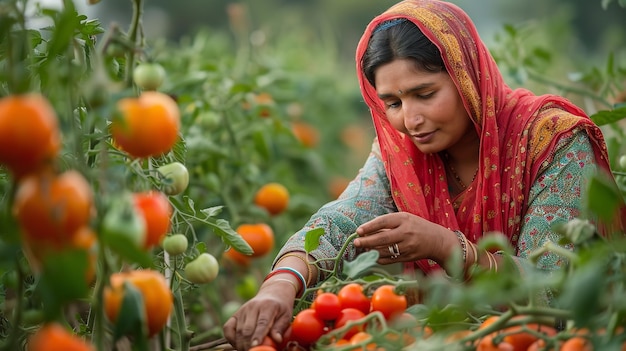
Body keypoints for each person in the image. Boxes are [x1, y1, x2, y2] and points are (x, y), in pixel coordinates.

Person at [223, 1, 625, 349]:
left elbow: (551, 292)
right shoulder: (404, 155)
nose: (411, 120)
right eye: (393, 103)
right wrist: (280, 285)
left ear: (467, 78)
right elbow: (343, 216)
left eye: (425, 94)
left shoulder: (553, 142)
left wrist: (448, 246)